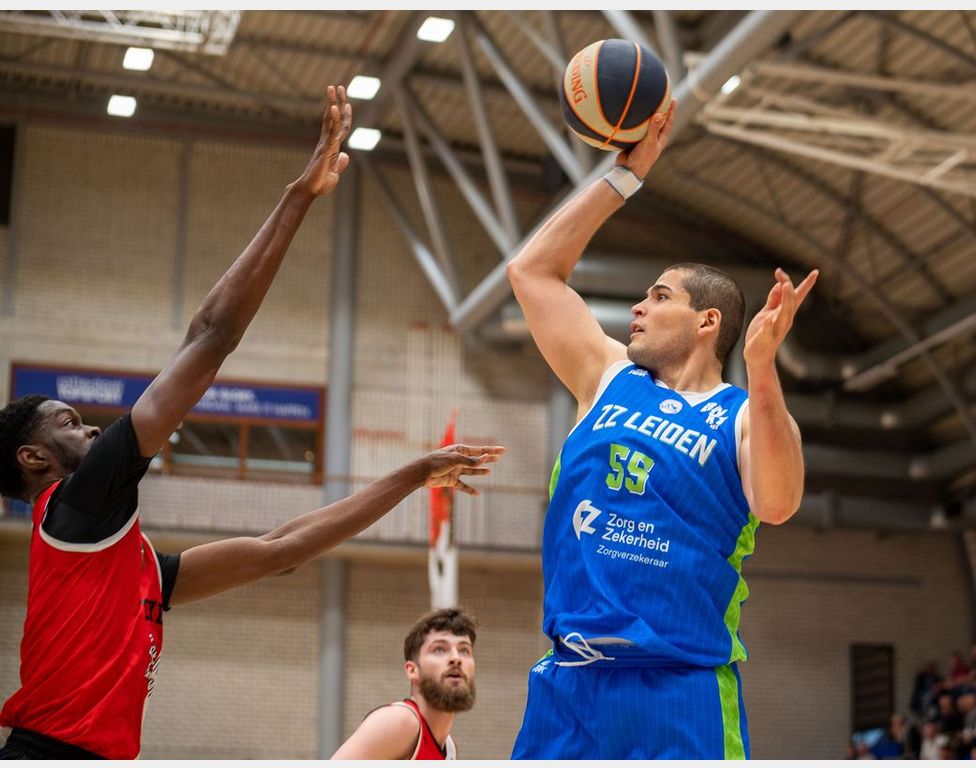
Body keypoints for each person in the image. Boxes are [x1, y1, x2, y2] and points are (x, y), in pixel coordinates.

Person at [0, 87, 504, 760]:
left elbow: (281, 549)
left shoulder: (130, 563)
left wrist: (414, 475)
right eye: (69, 422)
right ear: (33, 458)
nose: (92, 431)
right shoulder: (75, 505)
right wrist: (299, 197)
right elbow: (210, 335)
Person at [505, 100, 814, 759]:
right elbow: (530, 271)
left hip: (679, 689)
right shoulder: (606, 375)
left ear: (707, 322)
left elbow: (779, 502)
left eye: (660, 296)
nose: (638, 307)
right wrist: (626, 174)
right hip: (570, 684)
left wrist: (764, 368)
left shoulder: (740, 413)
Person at [333, 609, 477, 760]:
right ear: (412, 670)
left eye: (464, 650)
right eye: (439, 649)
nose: (456, 658)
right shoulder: (400, 721)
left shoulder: (449, 748)